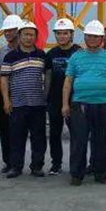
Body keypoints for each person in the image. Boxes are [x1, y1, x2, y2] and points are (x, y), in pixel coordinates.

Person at [63, 20, 106, 186]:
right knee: (79, 140)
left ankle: (101, 173)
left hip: (102, 103)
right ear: (85, 37)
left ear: (101, 38)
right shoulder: (76, 56)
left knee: (100, 140)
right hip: (80, 104)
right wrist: (65, 104)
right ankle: (76, 174)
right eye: (89, 36)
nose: (92, 39)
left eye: (96, 36)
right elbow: (68, 81)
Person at [0, 21, 48, 178]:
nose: (29, 37)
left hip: (38, 104)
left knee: (39, 138)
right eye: (26, 34)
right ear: (19, 36)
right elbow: (4, 79)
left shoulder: (41, 55)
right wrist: (6, 101)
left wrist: (46, 96)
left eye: (32, 35)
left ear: (36, 37)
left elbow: (48, 77)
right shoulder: (10, 56)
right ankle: (16, 167)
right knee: (16, 137)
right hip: (18, 104)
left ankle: (37, 166)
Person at [44, 18, 80, 175]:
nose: (62, 36)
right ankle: (56, 164)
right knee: (54, 133)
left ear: (71, 34)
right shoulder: (51, 54)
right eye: (59, 33)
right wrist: (45, 97)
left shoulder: (79, 52)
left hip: (75, 99)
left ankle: (76, 164)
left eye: (65, 33)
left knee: (76, 134)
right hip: (54, 99)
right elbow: (48, 77)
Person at [0, 14, 23, 173]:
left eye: (11, 30)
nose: (8, 33)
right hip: (4, 94)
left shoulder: (28, 51)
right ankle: (9, 162)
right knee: (5, 130)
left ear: (19, 31)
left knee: (20, 131)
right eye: (6, 31)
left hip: (22, 95)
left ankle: (19, 162)